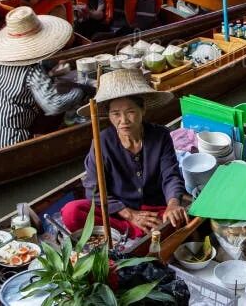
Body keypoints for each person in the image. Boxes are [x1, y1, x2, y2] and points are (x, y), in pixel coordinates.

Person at [61, 69, 187, 237]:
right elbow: (93, 190)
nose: (123, 120)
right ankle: (136, 233)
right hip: (119, 211)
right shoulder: (102, 142)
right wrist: (129, 214)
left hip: (153, 209)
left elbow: (170, 175)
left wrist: (173, 204)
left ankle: (133, 234)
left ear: (143, 110)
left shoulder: (160, 135)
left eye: (130, 112)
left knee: (177, 218)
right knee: (72, 212)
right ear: (109, 115)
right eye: (116, 114)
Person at [0, 7, 86, 153]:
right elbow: (54, 105)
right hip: (6, 145)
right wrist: (81, 91)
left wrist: (49, 73)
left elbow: (13, 86)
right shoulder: (32, 70)